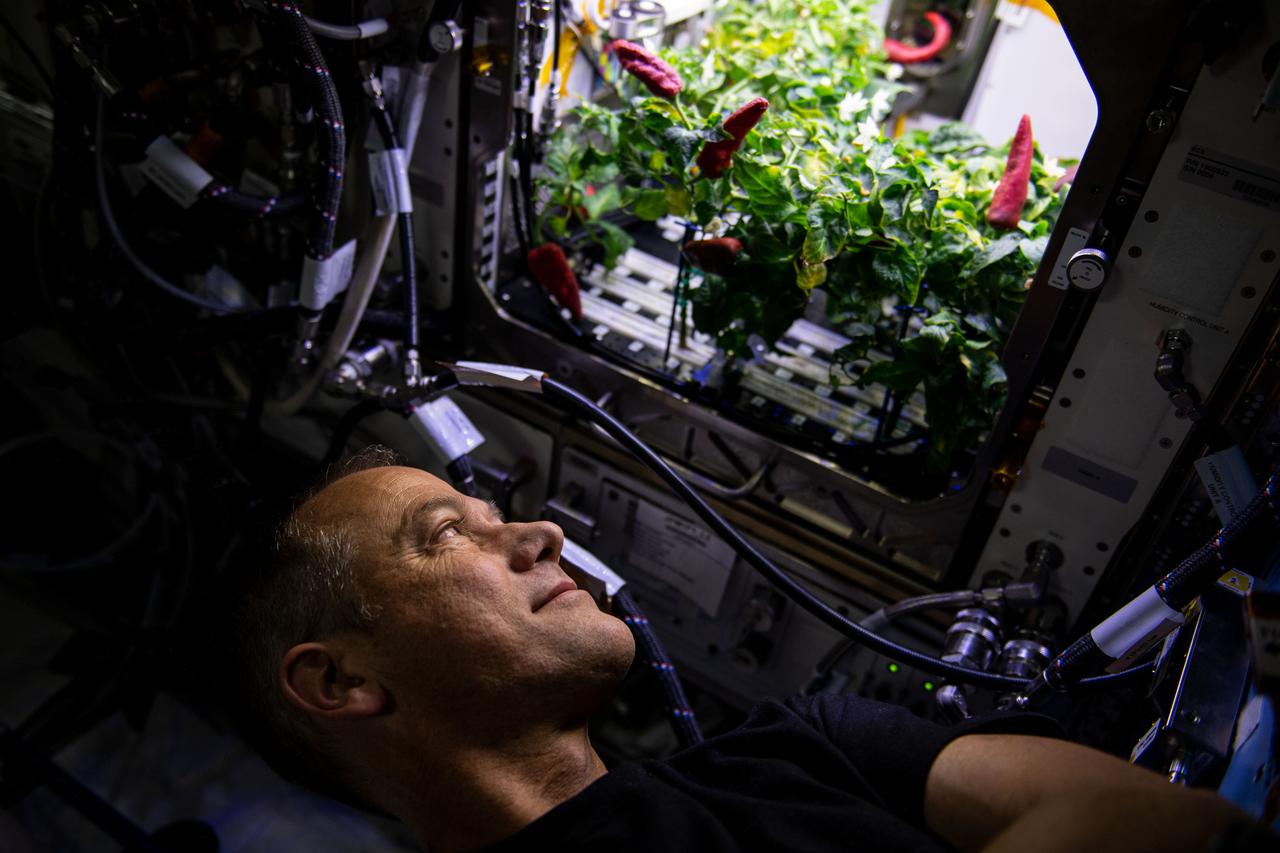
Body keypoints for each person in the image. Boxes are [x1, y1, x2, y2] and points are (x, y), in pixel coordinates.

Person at [221, 448, 1258, 853]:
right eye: (447, 534)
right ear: (341, 678)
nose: (537, 534)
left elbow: (1155, 822)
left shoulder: (803, 743)